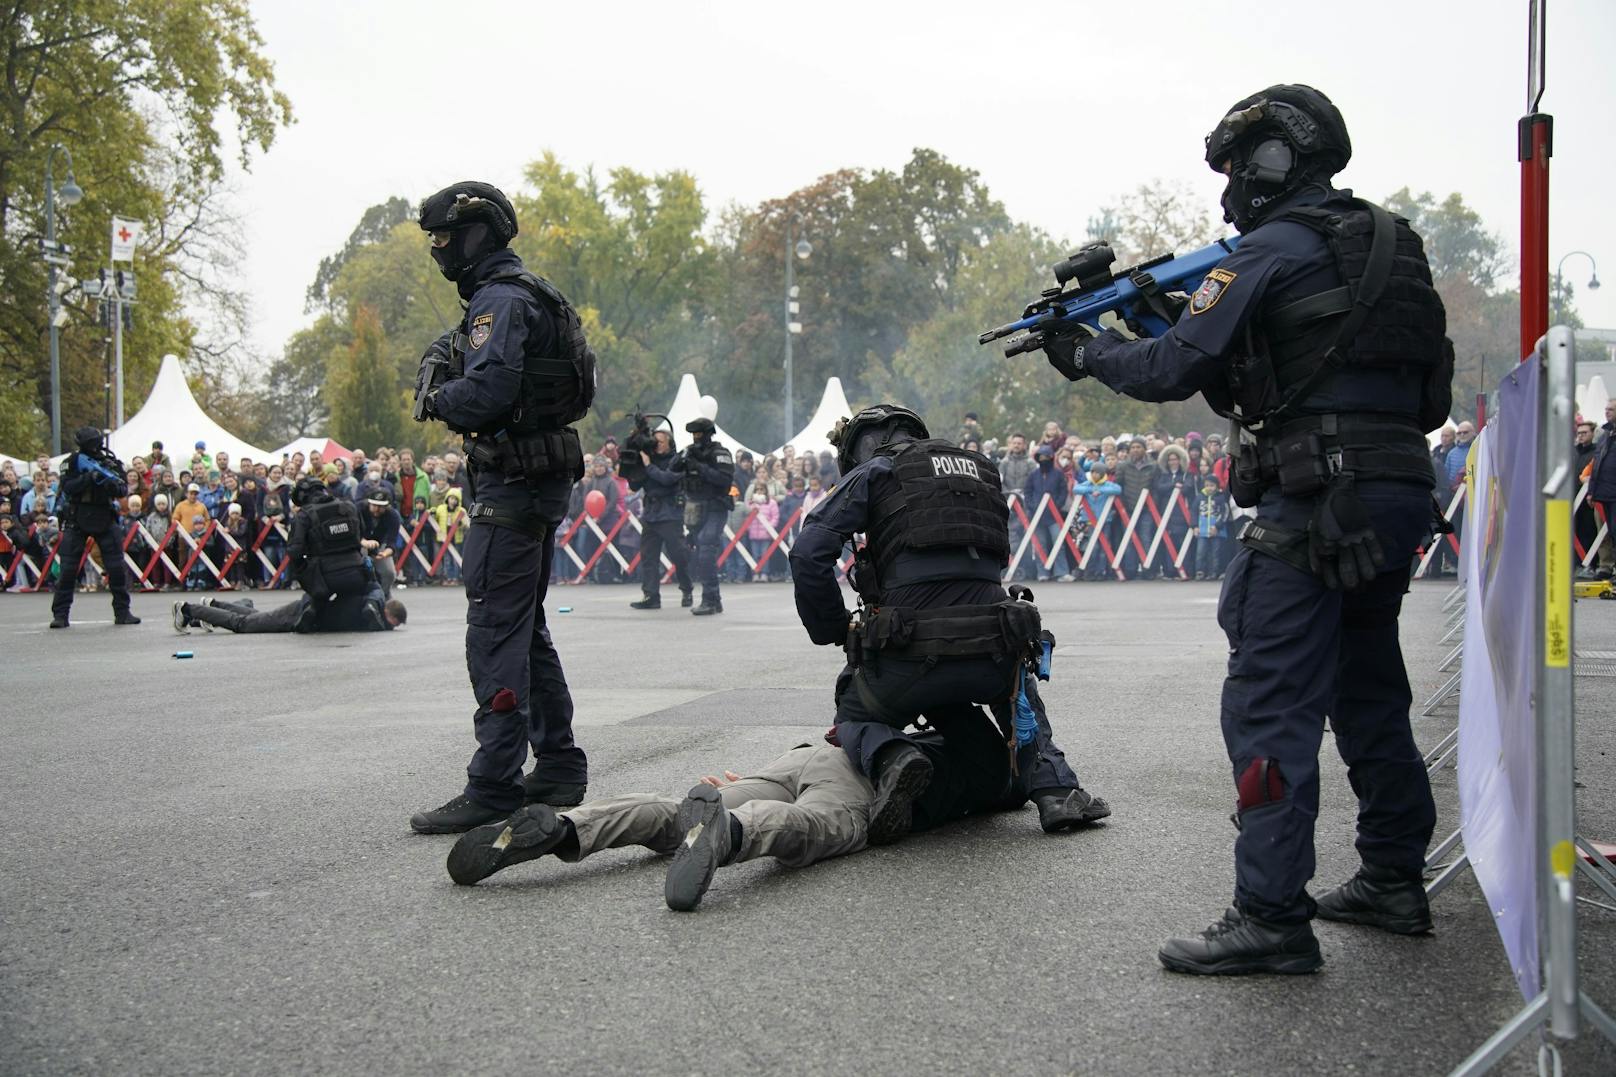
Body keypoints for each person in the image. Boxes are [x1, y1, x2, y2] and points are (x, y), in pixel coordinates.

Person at [1042, 85, 1450, 975]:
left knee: (1269, 701)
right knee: (1369, 684)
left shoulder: (1269, 247)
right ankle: (1392, 876)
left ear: (1272, 163)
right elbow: (1431, 396)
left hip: (1314, 497)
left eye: (1237, 167)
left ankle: (1269, 914)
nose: (1229, 186)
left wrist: (1090, 352)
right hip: (1395, 489)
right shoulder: (1392, 244)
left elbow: (1172, 366)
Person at [790, 404, 1108, 844]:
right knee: (1017, 686)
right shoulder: (981, 469)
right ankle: (1057, 790)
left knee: (854, 714)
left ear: (862, 447)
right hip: (992, 649)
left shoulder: (876, 472)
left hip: (909, 655)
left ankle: (894, 755)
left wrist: (831, 627)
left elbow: (808, 552)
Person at [410, 180, 594, 833]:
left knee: (493, 626)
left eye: (444, 237)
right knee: (524, 625)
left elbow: (489, 387)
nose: (438, 249)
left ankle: (494, 781)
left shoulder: (499, 300)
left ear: (476, 233)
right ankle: (560, 763)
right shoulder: (528, 293)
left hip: (513, 482)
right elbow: (470, 352)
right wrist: (444, 358)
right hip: (535, 477)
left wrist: (439, 398)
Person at [49, 427, 140, 628]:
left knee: (116, 567)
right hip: (77, 516)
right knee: (68, 570)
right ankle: (61, 615)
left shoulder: (110, 463)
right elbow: (68, 486)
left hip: (104, 516)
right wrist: (87, 478)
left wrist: (106, 482)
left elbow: (122, 489)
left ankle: (123, 612)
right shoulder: (72, 462)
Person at [627, 426, 694, 609]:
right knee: (649, 557)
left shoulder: (677, 461)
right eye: (654, 441)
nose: (656, 445)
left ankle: (687, 588)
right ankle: (651, 595)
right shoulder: (649, 460)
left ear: (669, 443)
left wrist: (648, 466)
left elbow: (666, 479)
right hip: (651, 514)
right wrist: (634, 466)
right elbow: (634, 486)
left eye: (660, 442)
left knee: (678, 555)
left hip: (670, 513)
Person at [679, 417, 736, 615]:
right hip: (695, 509)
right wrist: (683, 459)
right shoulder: (691, 451)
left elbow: (724, 480)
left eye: (699, 434)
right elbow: (672, 470)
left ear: (708, 434)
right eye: (693, 434)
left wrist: (699, 467)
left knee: (705, 550)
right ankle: (715, 600)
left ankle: (709, 600)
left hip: (715, 507)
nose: (695, 438)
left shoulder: (720, 453)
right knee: (700, 552)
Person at [174, 588, 404, 634]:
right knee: (243, 624)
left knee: (255, 617)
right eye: (394, 623)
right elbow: (374, 620)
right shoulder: (371, 609)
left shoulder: (371, 599)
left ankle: (213, 605)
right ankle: (189, 610)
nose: (392, 627)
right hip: (300, 614)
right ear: (389, 615)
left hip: (303, 610)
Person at [359, 490, 402, 598]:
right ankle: (360, 595)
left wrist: (386, 552)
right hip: (359, 543)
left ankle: (382, 596)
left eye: (381, 507)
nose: (377, 509)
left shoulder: (393, 516)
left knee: (389, 572)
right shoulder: (358, 510)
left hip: (381, 544)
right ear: (369, 503)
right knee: (360, 569)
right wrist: (364, 542)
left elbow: (392, 540)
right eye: (374, 506)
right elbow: (352, 532)